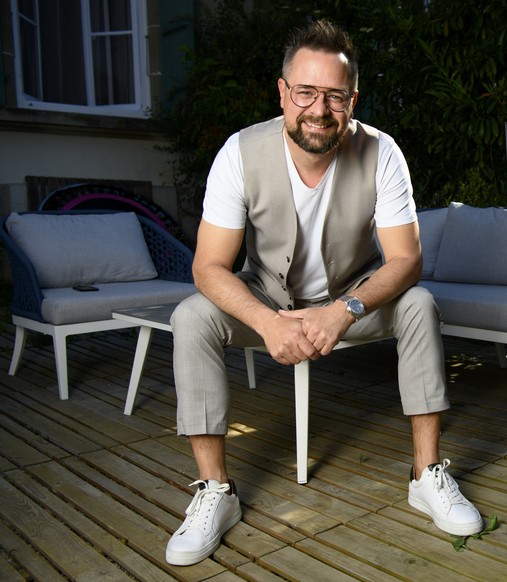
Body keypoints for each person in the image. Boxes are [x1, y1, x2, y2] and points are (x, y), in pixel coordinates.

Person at [165, 19, 483, 567]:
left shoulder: (382, 154)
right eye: (306, 92)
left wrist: (345, 309)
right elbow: (209, 267)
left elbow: (406, 260)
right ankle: (214, 489)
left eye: (335, 95)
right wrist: (267, 323)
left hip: (352, 299)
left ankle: (425, 474)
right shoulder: (239, 153)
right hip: (265, 297)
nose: (319, 108)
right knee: (193, 316)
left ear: (352, 99)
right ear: (283, 92)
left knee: (419, 304)